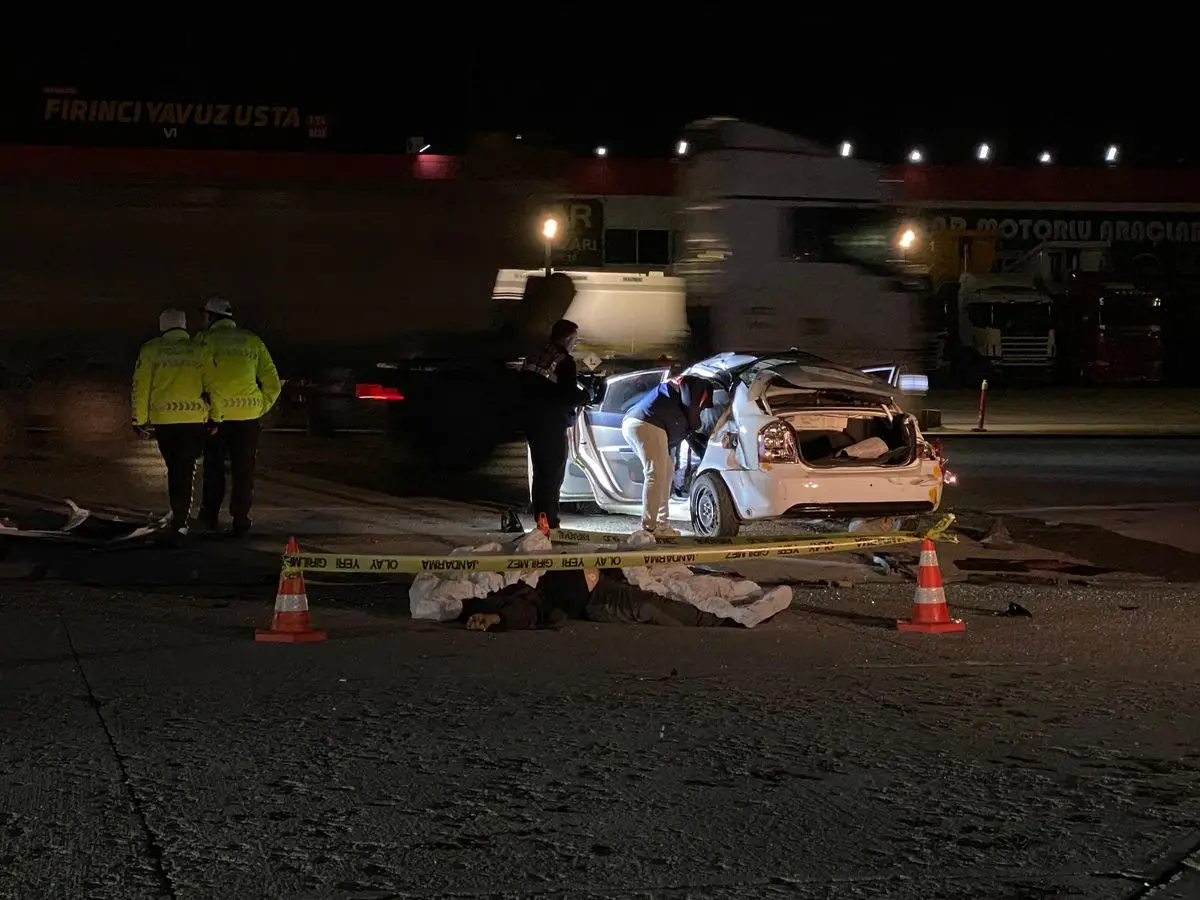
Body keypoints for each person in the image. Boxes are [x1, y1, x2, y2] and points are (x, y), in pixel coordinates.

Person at [194, 297, 282, 537]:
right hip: (247, 418)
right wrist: (259, 406)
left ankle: (209, 517)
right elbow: (273, 383)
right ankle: (240, 518)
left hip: (216, 417)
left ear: (211, 317)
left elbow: (196, 378)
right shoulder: (252, 341)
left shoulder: (204, 341)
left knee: (213, 469)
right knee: (244, 471)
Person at [131, 309, 216, 539]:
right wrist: (216, 416)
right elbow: (212, 386)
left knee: (174, 467)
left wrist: (138, 419)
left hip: (165, 422)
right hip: (193, 420)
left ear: (162, 326)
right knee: (186, 468)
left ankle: (178, 514)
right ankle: (181, 517)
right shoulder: (199, 350)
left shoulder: (151, 349)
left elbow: (141, 386)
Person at [460, 568, 737, 632]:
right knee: (651, 606)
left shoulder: (523, 588)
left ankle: (715, 619)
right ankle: (718, 622)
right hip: (598, 598)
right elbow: (525, 615)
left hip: (603, 586)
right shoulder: (527, 602)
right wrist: (494, 619)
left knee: (653, 602)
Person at [519, 318, 589, 529]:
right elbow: (566, 395)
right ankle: (550, 521)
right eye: (575, 340)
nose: (574, 344)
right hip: (551, 424)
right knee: (553, 474)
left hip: (531, 420)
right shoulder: (564, 361)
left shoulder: (536, 354)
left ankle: (540, 519)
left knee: (541, 472)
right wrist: (585, 395)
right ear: (567, 338)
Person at [621, 375, 713, 535]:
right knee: (655, 473)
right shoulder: (698, 385)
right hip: (647, 422)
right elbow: (692, 413)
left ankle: (661, 525)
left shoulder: (675, 395)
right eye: (704, 406)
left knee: (666, 471)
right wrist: (698, 426)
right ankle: (649, 526)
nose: (703, 409)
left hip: (636, 422)